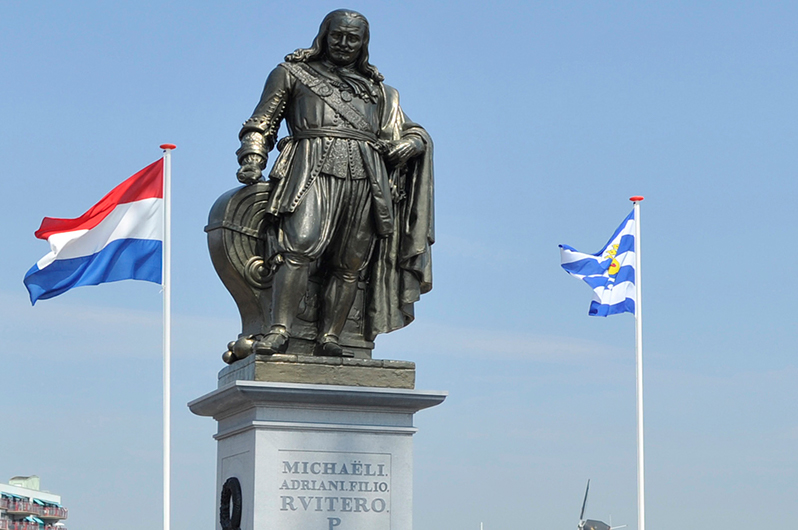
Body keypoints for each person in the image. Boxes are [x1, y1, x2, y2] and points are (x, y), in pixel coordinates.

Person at [235, 9, 434, 356]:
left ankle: (331, 336)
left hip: (366, 178)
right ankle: (280, 330)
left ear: (363, 43)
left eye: (352, 38)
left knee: (350, 263)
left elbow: (412, 131)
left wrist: (412, 144)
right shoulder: (291, 74)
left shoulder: (380, 92)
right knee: (298, 246)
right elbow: (261, 122)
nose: (344, 43)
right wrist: (252, 158)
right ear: (324, 36)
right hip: (309, 167)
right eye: (337, 35)